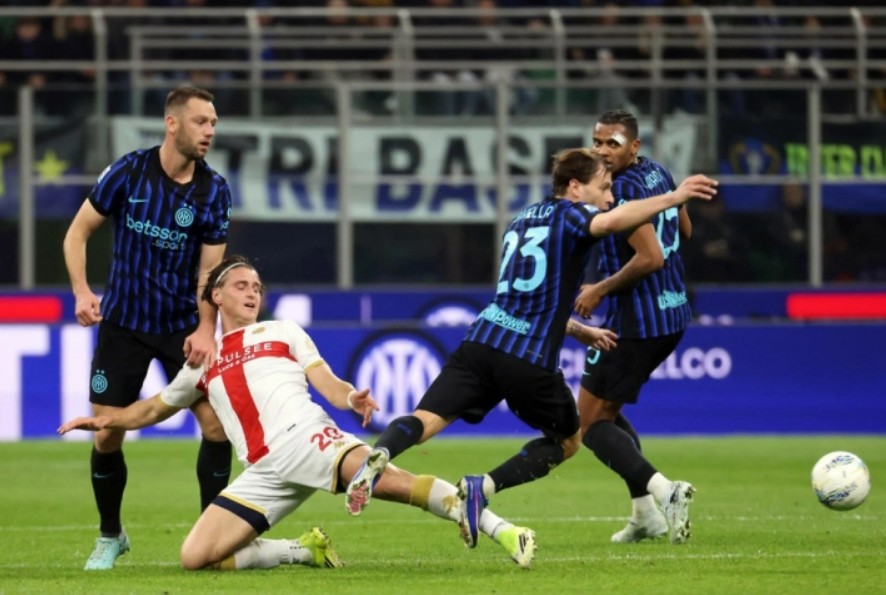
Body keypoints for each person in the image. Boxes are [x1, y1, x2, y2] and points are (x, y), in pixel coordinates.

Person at [58, 255, 538, 570]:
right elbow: (151, 409)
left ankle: (504, 530)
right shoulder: (202, 362)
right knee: (197, 557)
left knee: (393, 483)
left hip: (306, 437)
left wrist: (350, 398)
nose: (252, 293)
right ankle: (303, 550)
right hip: (262, 471)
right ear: (216, 296)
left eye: (257, 286)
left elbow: (327, 382)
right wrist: (105, 420)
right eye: (241, 285)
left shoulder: (283, 331)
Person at [345, 148, 718, 550]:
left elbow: (525, 297)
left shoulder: (521, 219)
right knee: (569, 441)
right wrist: (674, 197)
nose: (610, 197)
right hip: (528, 358)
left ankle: (379, 454)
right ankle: (482, 487)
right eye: (604, 187)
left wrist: (576, 329)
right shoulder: (572, 215)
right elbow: (613, 221)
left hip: (480, 342)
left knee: (424, 421)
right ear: (574, 187)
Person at [61, 86, 233, 570]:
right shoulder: (128, 172)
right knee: (106, 435)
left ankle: (211, 540)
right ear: (172, 123)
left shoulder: (214, 190)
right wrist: (81, 291)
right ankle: (110, 535)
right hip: (123, 326)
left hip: (182, 330)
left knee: (216, 426)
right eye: (201, 122)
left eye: (213, 123)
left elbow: (210, 273)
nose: (210, 131)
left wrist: (207, 329)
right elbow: (77, 233)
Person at [572, 109, 697, 546]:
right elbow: (684, 229)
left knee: (588, 425)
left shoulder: (620, 190)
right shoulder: (658, 172)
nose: (602, 151)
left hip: (638, 320)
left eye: (613, 143)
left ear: (634, 146)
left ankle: (665, 493)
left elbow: (650, 257)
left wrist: (599, 288)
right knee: (603, 412)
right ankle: (645, 516)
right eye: (597, 141)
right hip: (672, 311)